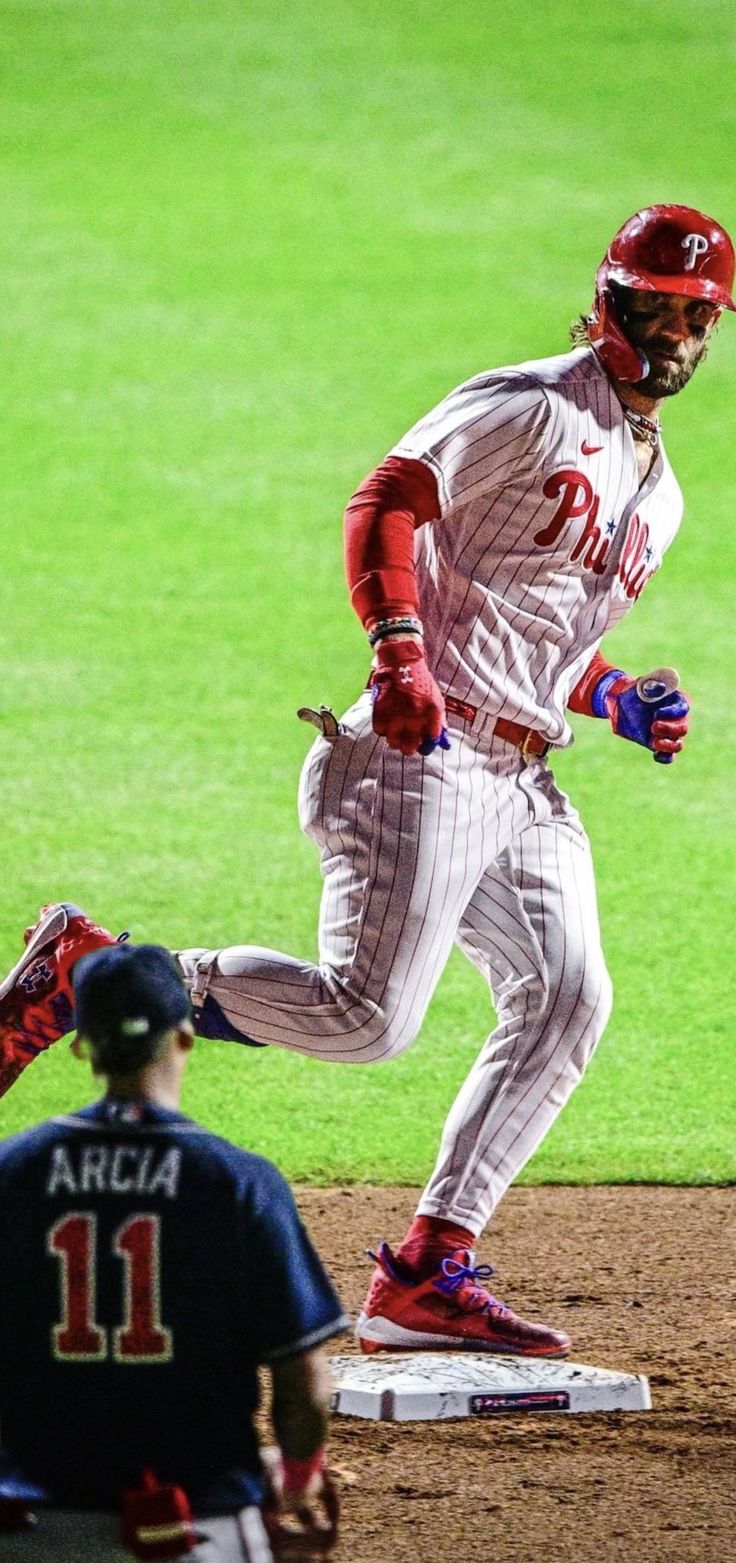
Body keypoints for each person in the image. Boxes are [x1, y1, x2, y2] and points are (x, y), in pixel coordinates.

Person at [0, 204, 732, 1359]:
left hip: (521, 774)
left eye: (692, 314)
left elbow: (533, 627)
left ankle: (430, 1269)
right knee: (367, 1019)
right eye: (651, 303)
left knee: (567, 996)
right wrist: (397, 648)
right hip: (418, 754)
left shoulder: (663, 490)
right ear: (607, 298)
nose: (670, 329)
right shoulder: (532, 404)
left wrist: (614, 697)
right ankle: (96, 970)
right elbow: (386, 501)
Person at [0, 942, 347, 1561]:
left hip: (31, 1529)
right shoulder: (238, 1181)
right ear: (185, 1034)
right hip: (197, 1529)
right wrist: (295, 1479)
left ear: (83, 1045)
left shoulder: (11, 1172)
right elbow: (305, 1384)